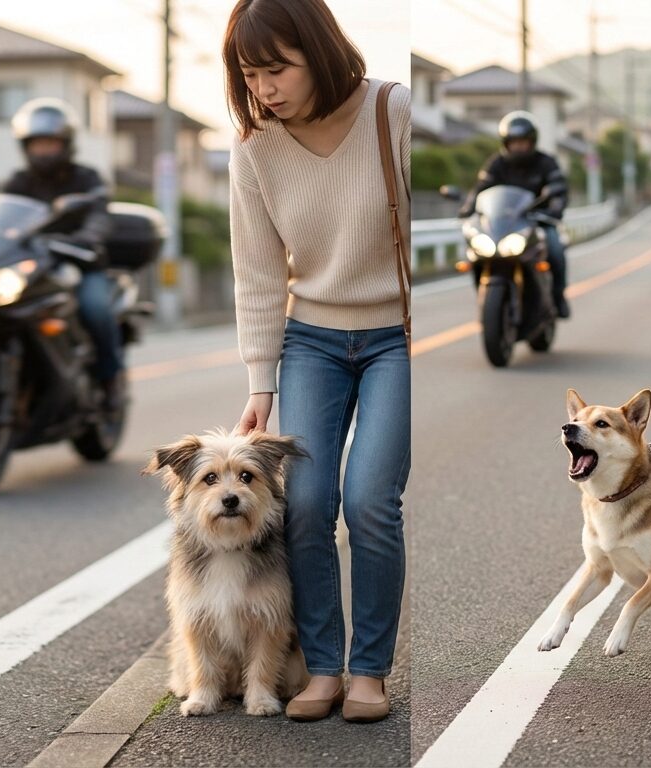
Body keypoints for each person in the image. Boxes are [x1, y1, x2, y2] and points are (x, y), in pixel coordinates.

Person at [223, 0, 410, 723]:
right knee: (302, 501)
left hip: (395, 336)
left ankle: (370, 671)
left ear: (321, 51)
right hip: (311, 341)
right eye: (250, 73)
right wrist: (259, 383)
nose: (265, 87)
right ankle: (323, 669)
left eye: (278, 68)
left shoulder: (392, 111)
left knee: (369, 500)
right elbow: (259, 273)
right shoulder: (254, 149)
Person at [3, 98, 122, 408]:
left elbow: (99, 214)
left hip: (81, 264)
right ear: (25, 146)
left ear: (66, 144)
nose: (43, 150)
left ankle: (110, 380)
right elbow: (1, 219)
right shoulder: (18, 183)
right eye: (37, 144)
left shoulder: (86, 178)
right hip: (35, 265)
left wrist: (87, 237)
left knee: (94, 307)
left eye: (50, 143)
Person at [459, 111, 572, 318]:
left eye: (523, 142)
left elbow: (559, 188)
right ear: (506, 143)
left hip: (538, 220)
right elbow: (481, 189)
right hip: (505, 223)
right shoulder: (497, 163)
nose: (519, 146)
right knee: (475, 252)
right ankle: (488, 302)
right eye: (514, 142)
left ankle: (558, 296)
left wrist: (555, 207)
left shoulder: (546, 162)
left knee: (555, 249)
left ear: (532, 142)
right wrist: (468, 206)